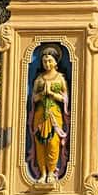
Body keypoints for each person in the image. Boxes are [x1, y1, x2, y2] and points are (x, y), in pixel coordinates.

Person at [31, 46, 69, 184]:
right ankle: (42, 173)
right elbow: (33, 98)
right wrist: (41, 95)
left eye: (50, 61)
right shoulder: (39, 79)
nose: (47, 64)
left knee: (53, 144)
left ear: (55, 62)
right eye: (45, 61)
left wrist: (52, 94)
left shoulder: (60, 78)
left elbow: (65, 98)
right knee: (40, 145)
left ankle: (52, 172)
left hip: (55, 115)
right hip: (40, 116)